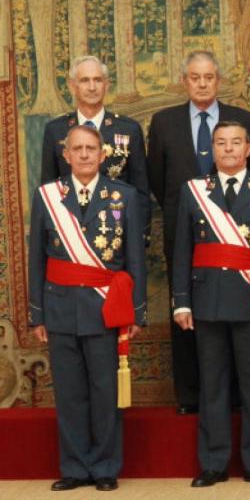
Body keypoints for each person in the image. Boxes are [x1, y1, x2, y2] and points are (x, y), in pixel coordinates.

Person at [172, 121, 250, 488]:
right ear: (212, 149)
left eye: (235, 143)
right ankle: (213, 462)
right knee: (212, 384)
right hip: (207, 300)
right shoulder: (194, 191)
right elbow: (183, 250)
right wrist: (181, 302)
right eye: (221, 143)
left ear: (248, 150)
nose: (228, 149)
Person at [29, 125, 146, 492]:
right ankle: (76, 467)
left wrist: (136, 312)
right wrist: (38, 313)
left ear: (102, 154)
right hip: (60, 307)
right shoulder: (48, 196)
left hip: (104, 309)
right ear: (65, 155)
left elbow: (135, 261)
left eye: (90, 148)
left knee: (103, 390)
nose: (83, 155)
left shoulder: (123, 196)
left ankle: (106, 466)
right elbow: (37, 259)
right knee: (70, 393)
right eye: (76, 148)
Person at [148, 50, 250, 415]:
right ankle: (190, 394)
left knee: (237, 315)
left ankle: (233, 396)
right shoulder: (164, 122)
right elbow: (157, 178)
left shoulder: (242, 120)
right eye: (195, 77)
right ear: (185, 81)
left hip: (237, 241)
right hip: (185, 235)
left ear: (219, 80)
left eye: (209, 77)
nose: (202, 83)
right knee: (186, 309)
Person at [41, 55, 150, 239]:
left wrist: (138, 239)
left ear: (106, 85)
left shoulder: (128, 129)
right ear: (72, 86)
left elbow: (140, 191)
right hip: (71, 234)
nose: (92, 87)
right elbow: (48, 189)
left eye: (98, 80)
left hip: (116, 232)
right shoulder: (56, 130)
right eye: (85, 80)